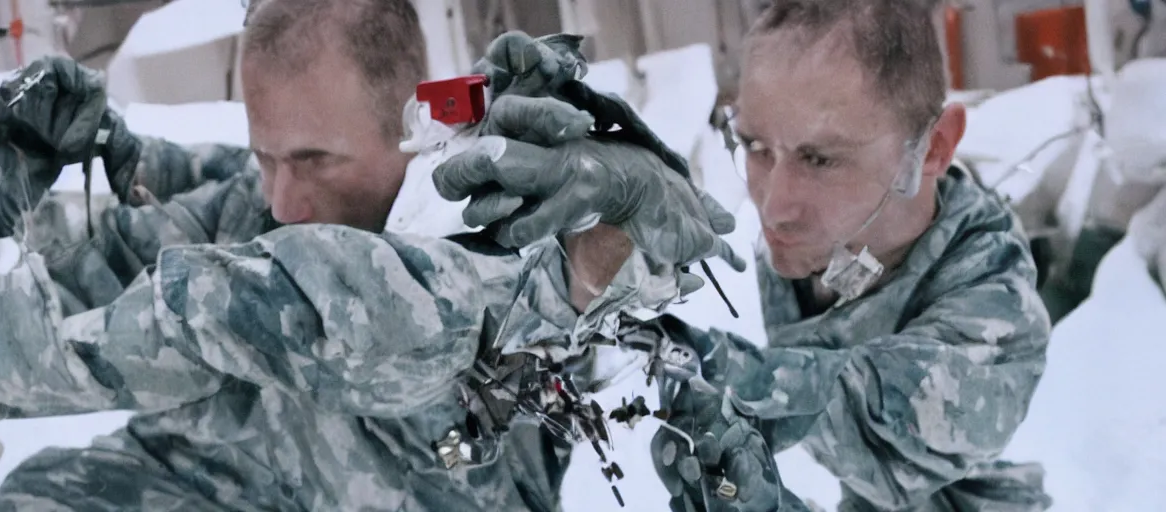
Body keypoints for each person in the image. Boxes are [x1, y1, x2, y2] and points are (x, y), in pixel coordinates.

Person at [0, 1, 740, 511]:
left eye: (315, 160)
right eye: (266, 156)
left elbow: (612, 268)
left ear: (406, 121)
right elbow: (125, 259)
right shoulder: (256, 201)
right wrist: (90, 172)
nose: (283, 198)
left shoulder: (504, 215)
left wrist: (619, 222)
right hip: (239, 474)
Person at [434, 0, 1054, 510]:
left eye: (820, 158)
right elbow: (672, 244)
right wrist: (607, 196)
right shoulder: (817, 226)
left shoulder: (994, 311)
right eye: (755, 146)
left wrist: (701, 364)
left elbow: (870, 414)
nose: (773, 204)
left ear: (932, 148)